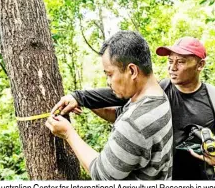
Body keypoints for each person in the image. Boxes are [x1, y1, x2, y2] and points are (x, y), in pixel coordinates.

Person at [54, 36, 215, 180]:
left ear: (200, 65)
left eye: (180, 62)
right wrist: (79, 97)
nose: (172, 67)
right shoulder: (160, 90)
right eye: (170, 61)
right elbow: (116, 94)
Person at [46, 31, 173, 180]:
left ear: (132, 71)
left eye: (110, 74)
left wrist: (68, 133)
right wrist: (84, 101)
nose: (108, 81)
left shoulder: (135, 123)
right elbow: (120, 114)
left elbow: (101, 176)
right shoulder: (158, 97)